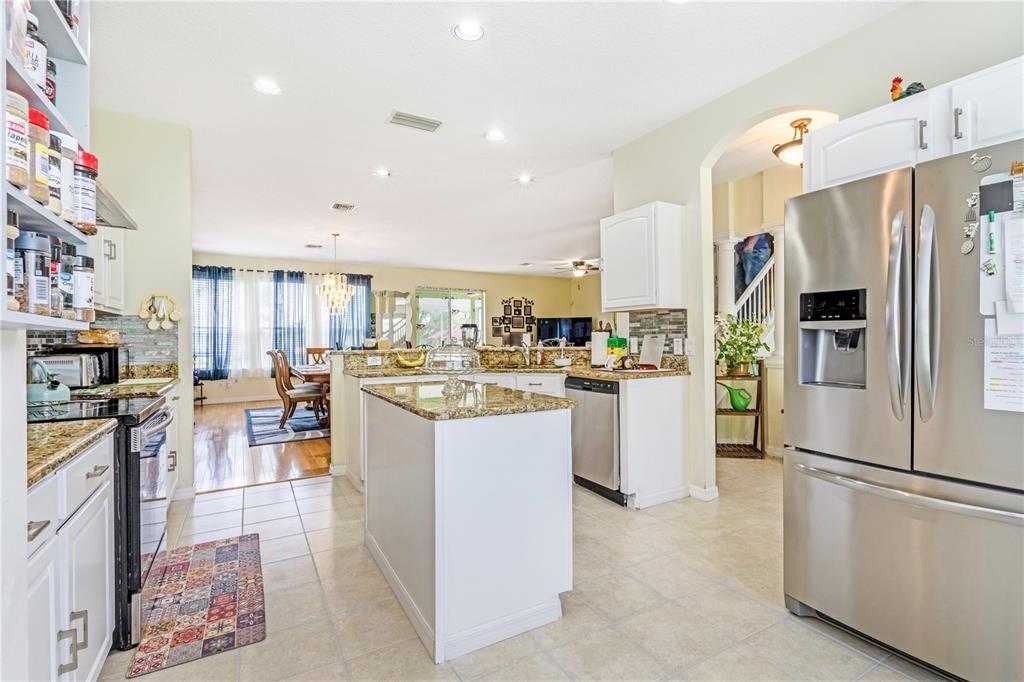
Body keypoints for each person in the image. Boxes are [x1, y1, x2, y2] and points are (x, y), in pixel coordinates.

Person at [734, 233, 773, 301]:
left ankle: (755, 308)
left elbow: (759, 228)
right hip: (743, 253)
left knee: (751, 284)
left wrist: (751, 243)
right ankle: (746, 308)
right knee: (739, 284)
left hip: (756, 251)